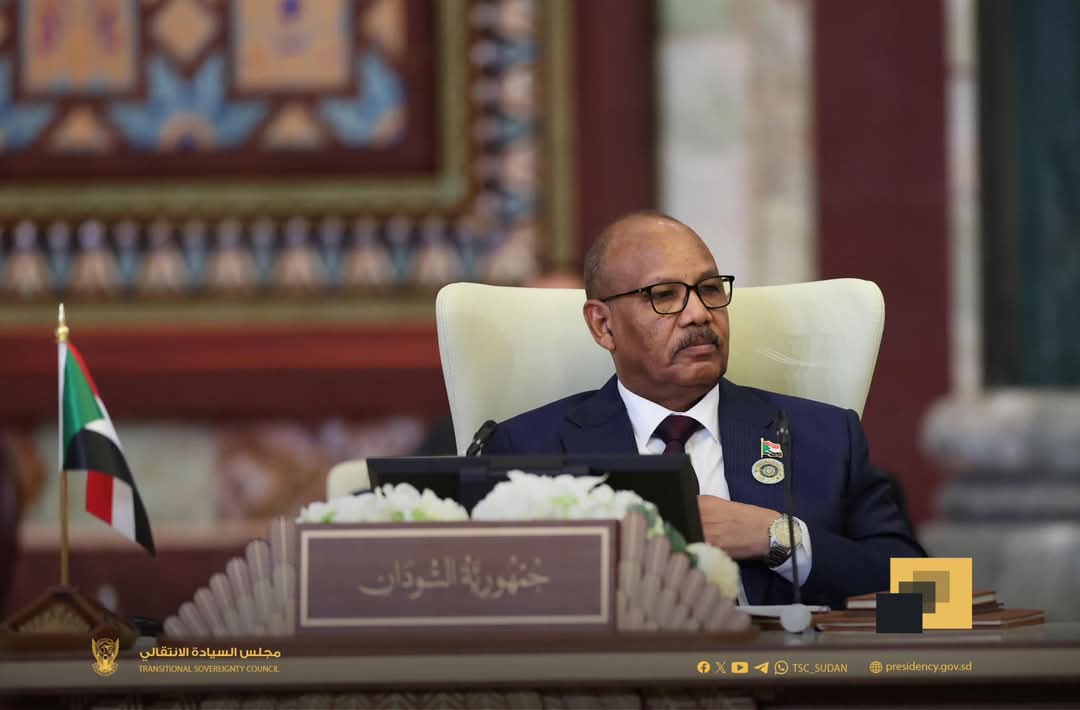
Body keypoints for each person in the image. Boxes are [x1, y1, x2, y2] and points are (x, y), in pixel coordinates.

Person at [483, 212, 924, 608]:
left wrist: (779, 538)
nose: (698, 313)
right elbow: (494, 602)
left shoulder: (824, 437)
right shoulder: (529, 449)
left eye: (710, 289)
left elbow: (932, 597)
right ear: (603, 325)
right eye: (664, 295)